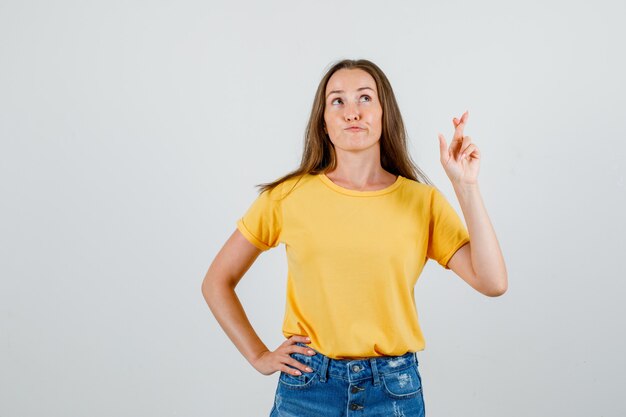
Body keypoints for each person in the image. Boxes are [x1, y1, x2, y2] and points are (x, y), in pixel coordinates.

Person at [202, 58, 507, 416]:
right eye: (337, 101)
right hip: (307, 390)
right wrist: (258, 356)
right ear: (324, 121)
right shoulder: (287, 196)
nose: (352, 112)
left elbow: (492, 282)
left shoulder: (421, 201)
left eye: (365, 98)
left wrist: (465, 186)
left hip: (392, 392)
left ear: (384, 113)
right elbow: (216, 282)